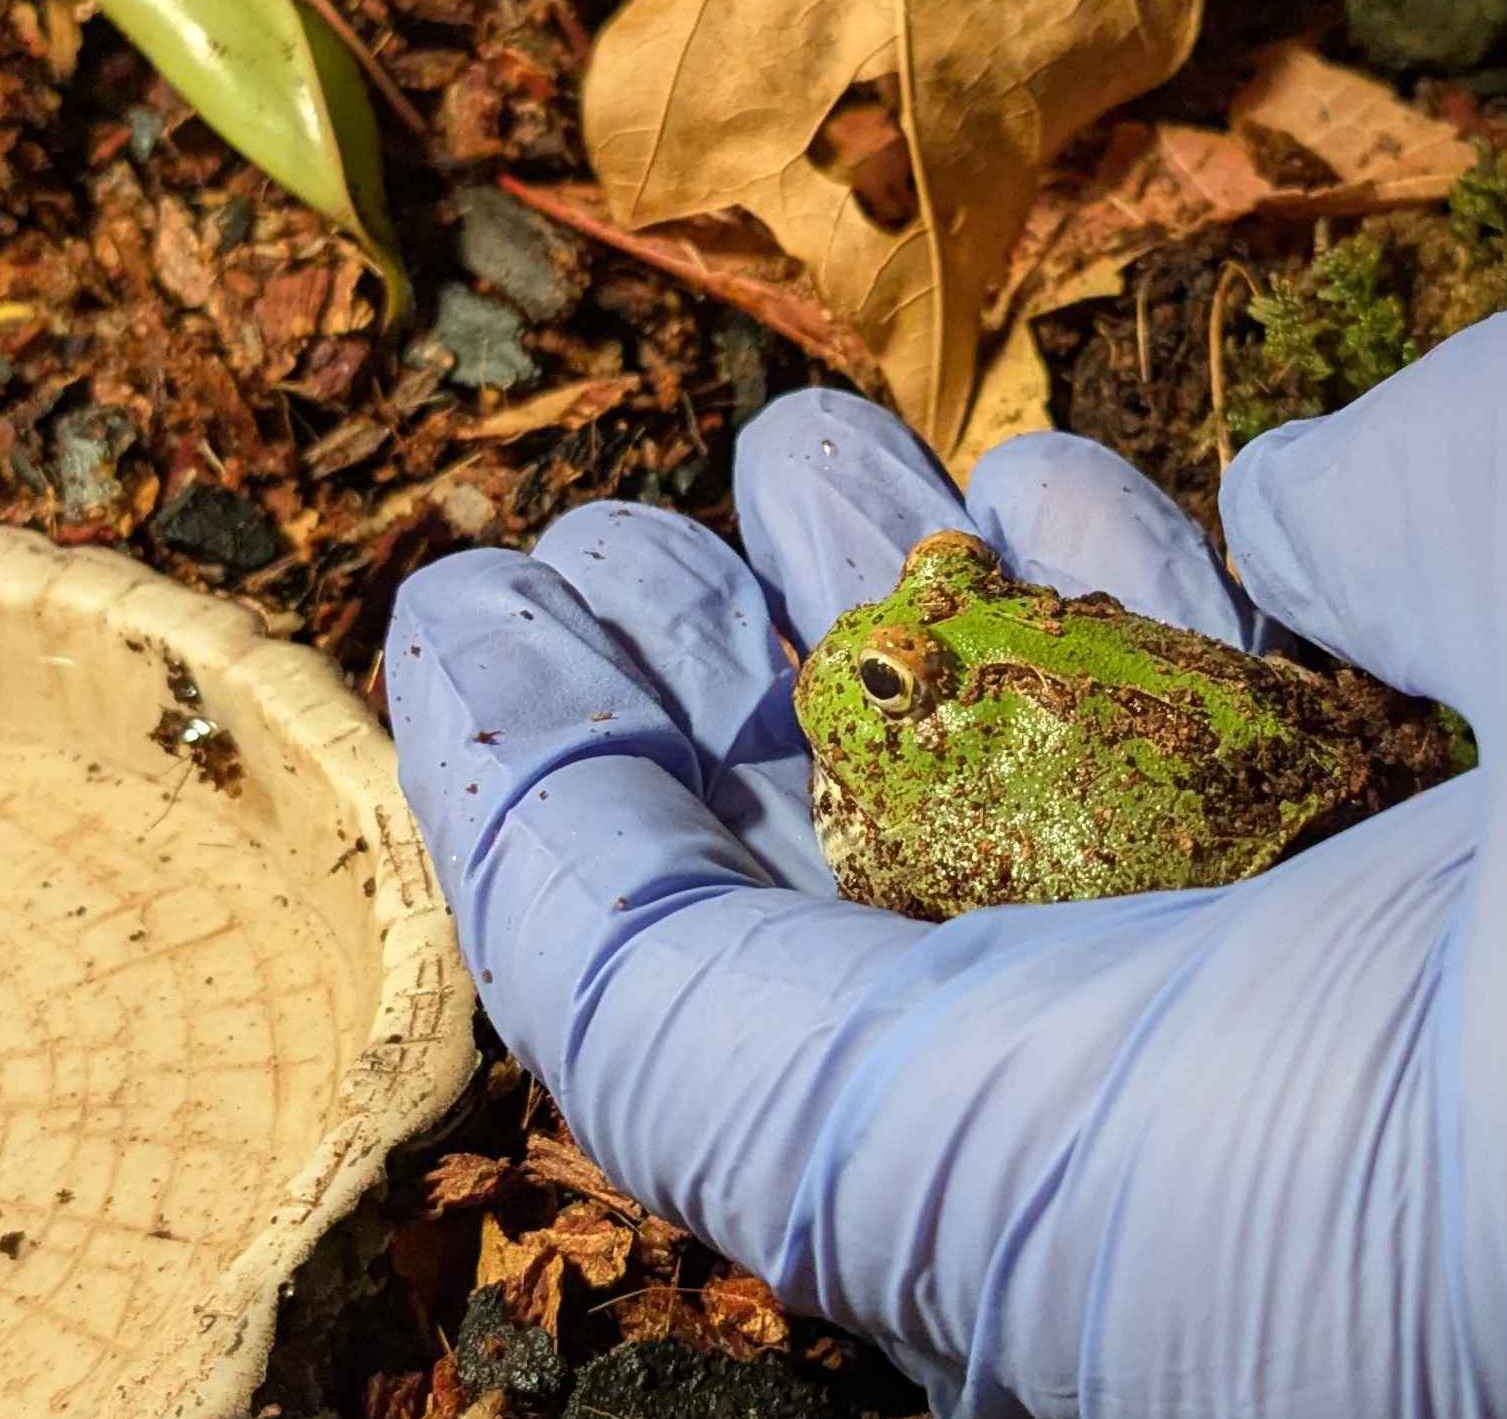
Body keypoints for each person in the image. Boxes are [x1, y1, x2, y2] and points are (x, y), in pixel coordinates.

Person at [385, 314, 1505, 1419]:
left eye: (879, 682)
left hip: (1271, 919)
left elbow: (1017, 896)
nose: (834, 657)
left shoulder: (985, 788)